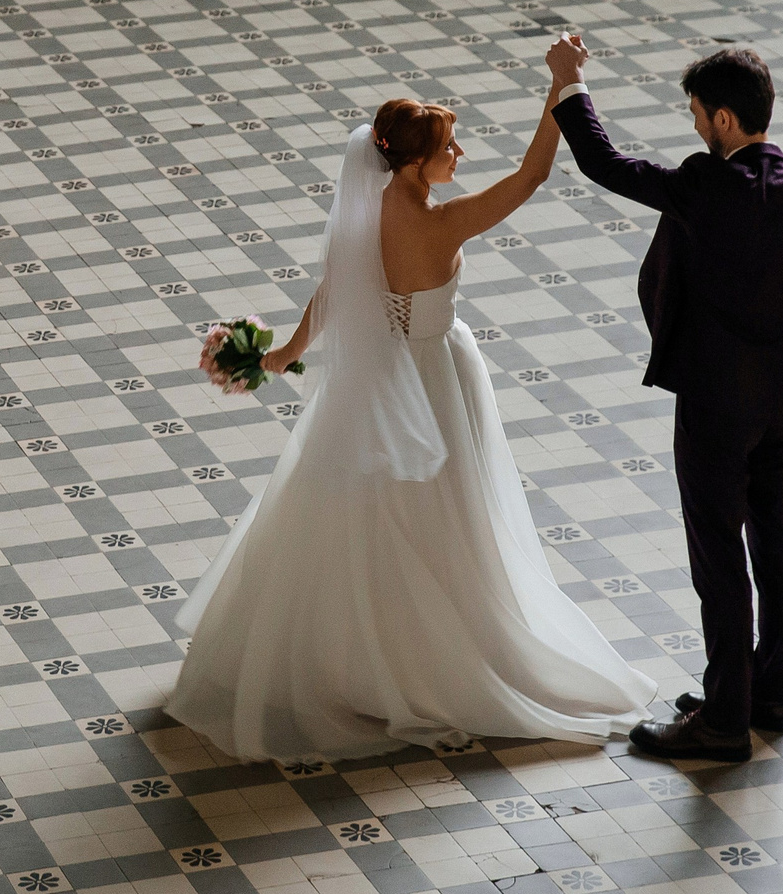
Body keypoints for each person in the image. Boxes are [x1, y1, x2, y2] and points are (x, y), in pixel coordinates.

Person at [165, 96, 656, 762]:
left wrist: (284, 351)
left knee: (364, 513)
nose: (460, 156)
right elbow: (530, 177)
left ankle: (351, 657)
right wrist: (554, 99)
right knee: (450, 518)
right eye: (450, 147)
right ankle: (435, 658)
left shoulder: (365, 213)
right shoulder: (441, 223)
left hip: (372, 385)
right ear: (417, 163)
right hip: (434, 380)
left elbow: (334, 287)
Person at [543, 34, 783, 764]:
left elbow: (603, 162)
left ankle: (723, 721)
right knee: (776, 542)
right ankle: (772, 694)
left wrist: (568, 82)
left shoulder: (706, 185)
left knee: (718, 557)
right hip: (780, 401)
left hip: (714, 405)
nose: (695, 126)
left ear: (722, 121)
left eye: (696, 114)